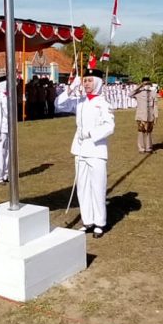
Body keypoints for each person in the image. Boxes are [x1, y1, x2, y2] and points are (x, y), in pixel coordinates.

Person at [55, 69, 115, 238]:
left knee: (98, 186)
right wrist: (70, 89)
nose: (87, 84)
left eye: (90, 80)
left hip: (96, 150)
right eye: (85, 81)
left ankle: (100, 223)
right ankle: (87, 220)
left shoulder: (103, 103)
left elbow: (109, 126)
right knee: (82, 187)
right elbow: (59, 105)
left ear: (97, 82)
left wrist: (90, 133)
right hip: (80, 150)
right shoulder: (79, 101)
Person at [131, 77, 158, 153]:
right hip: (140, 116)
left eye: (148, 84)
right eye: (145, 84)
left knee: (149, 132)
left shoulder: (153, 93)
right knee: (141, 132)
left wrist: (156, 116)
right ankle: (141, 148)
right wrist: (139, 86)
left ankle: (149, 148)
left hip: (150, 116)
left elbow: (155, 105)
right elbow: (130, 94)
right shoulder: (138, 92)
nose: (147, 85)